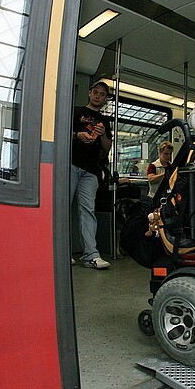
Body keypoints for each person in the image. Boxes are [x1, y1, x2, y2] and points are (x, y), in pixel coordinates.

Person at [72, 81, 113, 269]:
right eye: (95, 92)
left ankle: (91, 255)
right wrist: (77, 135)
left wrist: (103, 134)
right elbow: (61, 133)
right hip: (71, 164)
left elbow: (107, 148)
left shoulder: (104, 121)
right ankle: (60, 251)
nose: (98, 96)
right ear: (89, 93)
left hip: (92, 171)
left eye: (102, 94)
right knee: (62, 208)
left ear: (105, 99)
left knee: (88, 211)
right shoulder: (77, 112)